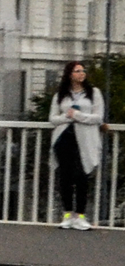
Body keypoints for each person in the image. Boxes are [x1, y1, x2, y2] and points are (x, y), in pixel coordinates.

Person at [49, 61, 107, 230]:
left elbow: (97, 117)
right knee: (65, 177)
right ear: (70, 75)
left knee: (82, 176)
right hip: (64, 139)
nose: (82, 73)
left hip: (85, 140)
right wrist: (68, 118)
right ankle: (67, 214)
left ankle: (80, 215)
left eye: (83, 70)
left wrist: (78, 115)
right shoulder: (61, 94)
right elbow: (53, 118)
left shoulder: (93, 93)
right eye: (77, 71)